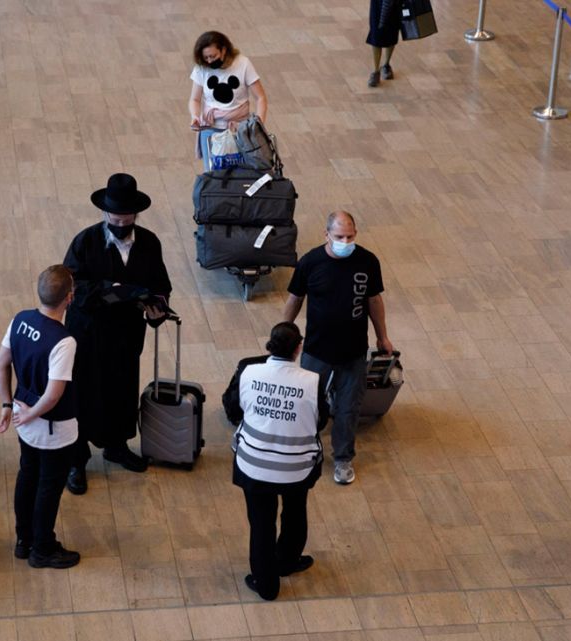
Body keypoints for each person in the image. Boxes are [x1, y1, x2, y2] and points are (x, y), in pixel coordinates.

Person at [62, 173, 172, 494]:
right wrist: (112, 290)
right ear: (105, 213)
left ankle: (116, 445)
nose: (121, 220)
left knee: (122, 389)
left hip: (126, 333)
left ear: (135, 214)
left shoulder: (149, 243)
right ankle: (76, 460)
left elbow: (160, 285)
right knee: (83, 394)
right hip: (88, 335)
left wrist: (158, 309)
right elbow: (74, 288)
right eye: (115, 215)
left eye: (126, 215)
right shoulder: (85, 242)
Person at [282, 211, 393, 485]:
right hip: (317, 350)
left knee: (348, 408)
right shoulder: (310, 263)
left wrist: (382, 336)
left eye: (350, 236)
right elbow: (295, 298)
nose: (345, 241)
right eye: (339, 236)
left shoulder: (367, 261)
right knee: (308, 403)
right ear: (326, 235)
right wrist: (283, 332)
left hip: (353, 351)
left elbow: (373, 301)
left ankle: (343, 458)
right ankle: (304, 449)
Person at [0, 265, 81, 569]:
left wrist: (9, 405)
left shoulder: (20, 320)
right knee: (49, 485)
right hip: (51, 427)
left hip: (22, 417)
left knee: (27, 474)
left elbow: (1, 363)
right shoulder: (63, 340)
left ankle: (24, 540)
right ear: (69, 298)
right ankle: (43, 548)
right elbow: (55, 393)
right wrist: (33, 412)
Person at [234, 322, 328, 601]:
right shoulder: (313, 381)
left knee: (261, 524)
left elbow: (236, 406)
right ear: (298, 348)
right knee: (295, 511)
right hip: (296, 468)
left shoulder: (248, 371)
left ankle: (266, 585)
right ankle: (287, 561)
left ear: (269, 345)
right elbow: (321, 420)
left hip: (253, 464)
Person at [188, 31, 268, 170]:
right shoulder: (201, 68)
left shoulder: (243, 64)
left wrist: (258, 124)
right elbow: (195, 99)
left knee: (241, 172)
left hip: (239, 129)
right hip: (210, 127)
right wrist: (195, 116)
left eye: (213, 56)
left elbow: (260, 97)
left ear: (224, 50)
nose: (209, 61)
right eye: (206, 57)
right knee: (213, 173)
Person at [366, 0, 400, 87]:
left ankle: (386, 65)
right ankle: (376, 70)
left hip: (395, 4)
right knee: (376, 35)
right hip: (378, 4)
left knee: (392, 33)